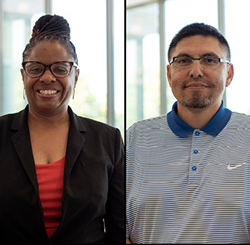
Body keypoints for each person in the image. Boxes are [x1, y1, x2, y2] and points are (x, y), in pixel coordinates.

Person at [0, 14, 124, 244]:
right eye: (36, 68)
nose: (47, 78)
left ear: (75, 76)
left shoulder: (108, 139)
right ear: (23, 75)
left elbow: (119, 228)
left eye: (60, 68)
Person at [126, 22, 250, 244]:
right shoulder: (135, 137)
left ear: (229, 74)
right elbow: (117, 227)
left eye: (210, 60)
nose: (195, 71)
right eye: (183, 61)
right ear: (169, 73)